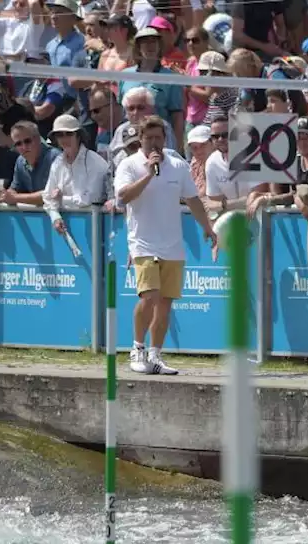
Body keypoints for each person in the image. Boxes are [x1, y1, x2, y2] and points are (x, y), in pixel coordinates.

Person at [114, 116, 218, 376]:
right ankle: (137, 349)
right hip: (143, 244)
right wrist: (148, 175)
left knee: (165, 304)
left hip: (172, 245)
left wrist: (207, 227)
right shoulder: (129, 165)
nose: (154, 143)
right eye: (149, 138)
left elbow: (193, 199)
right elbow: (123, 197)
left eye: (159, 138)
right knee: (149, 297)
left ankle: (155, 355)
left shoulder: (177, 165)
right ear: (141, 139)